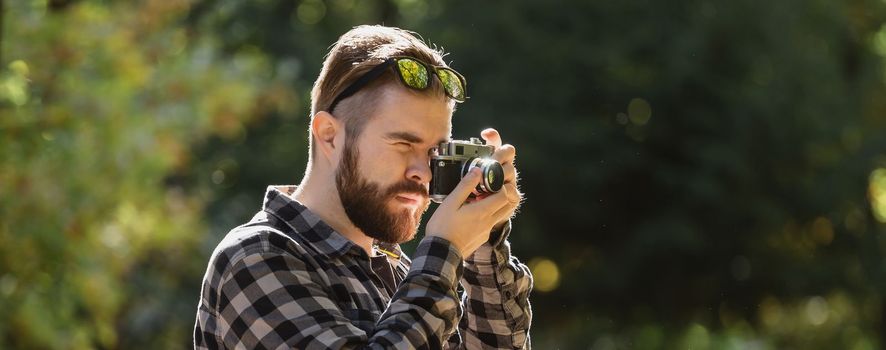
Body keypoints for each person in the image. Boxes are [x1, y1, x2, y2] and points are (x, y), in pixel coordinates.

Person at [194, 25, 533, 349]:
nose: (423, 173)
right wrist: (443, 251)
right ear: (330, 135)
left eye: (435, 152)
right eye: (403, 144)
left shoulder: (400, 271)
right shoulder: (256, 258)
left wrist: (484, 242)